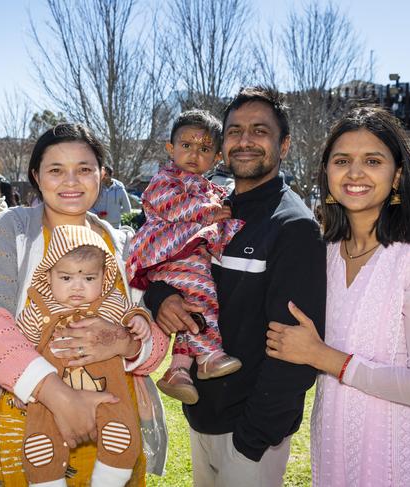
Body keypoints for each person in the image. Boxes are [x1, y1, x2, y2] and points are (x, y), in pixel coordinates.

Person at [0, 123, 169, 486]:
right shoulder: (10, 230)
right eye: (56, 170)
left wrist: (124, 341)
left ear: (103, 176)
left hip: (110, 420)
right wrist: (59, 398)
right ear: (36, 177)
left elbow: (154, 343)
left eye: (85, 169)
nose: (71, 181)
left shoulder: (122, 244)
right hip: (24, 420)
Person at [143, 87, 326, 487]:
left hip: (249, 431)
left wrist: (253, 437)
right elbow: (167, 263)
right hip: (200, 412)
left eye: (260, 130)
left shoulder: (293, 227)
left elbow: (297, 350)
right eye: (235, 131)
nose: (244, 140)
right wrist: (161, 298)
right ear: (223, 145)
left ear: (285, 144)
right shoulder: (211, 207)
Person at [266, 106, 410, 486]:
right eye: (342, 160)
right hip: (332, 444)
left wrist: (323, 357)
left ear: (397, 175)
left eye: (372, 160)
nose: (355, 172)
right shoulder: (322, 254)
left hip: (396, 454)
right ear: (327, 171)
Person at [17, 225, 152, 486]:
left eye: (89, 279)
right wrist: (22, 387)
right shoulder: (38, 309)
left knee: (120, 422)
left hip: (106, 389)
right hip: (50, 393)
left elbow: (132, 313)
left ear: (104, 276)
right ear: (49, 276)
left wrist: (138, 320)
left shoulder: (110, 302)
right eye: (66, 278)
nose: (77, 287)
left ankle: (110, 476)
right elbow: (19, 349)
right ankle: (46, 479)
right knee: (41, 433)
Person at [127, 110, 244, 406]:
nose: (194, 154)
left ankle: (179, 369)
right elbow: (173, 206)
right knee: (204, 294)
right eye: (187, 145)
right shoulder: (165, 181)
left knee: (190, 306)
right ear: (170, 149)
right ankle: (208, 356)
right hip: (169, 253)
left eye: (204, 149)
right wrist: (210, 213)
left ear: (217, 156)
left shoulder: (209, 189)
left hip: (186, 253)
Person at [92, 163, 132, 228]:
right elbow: (87, 206)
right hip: (97, 225)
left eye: (106, 175)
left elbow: (127, 209)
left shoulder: (120, 189)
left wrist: (115, 213)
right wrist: (96, 214)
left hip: (115, 227)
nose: (103, 177)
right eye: (102, 174)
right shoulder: (95, 187)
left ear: (111, 175)